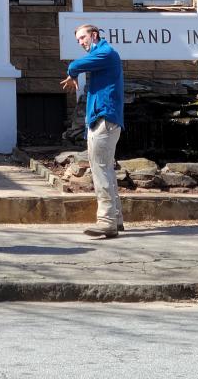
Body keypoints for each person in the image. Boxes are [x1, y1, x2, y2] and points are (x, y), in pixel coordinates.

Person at [61, 23, 125, 239]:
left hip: (104, 119)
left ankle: (106, 222)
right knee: (105, 168)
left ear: (94, 35)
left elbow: (76, 64)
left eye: (82, 38)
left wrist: (71, 71)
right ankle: (116, 218)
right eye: (78, 40)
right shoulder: (103, 56)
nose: (80, 43)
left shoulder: (106, 53)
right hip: (104, 118)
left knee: (100, 170)